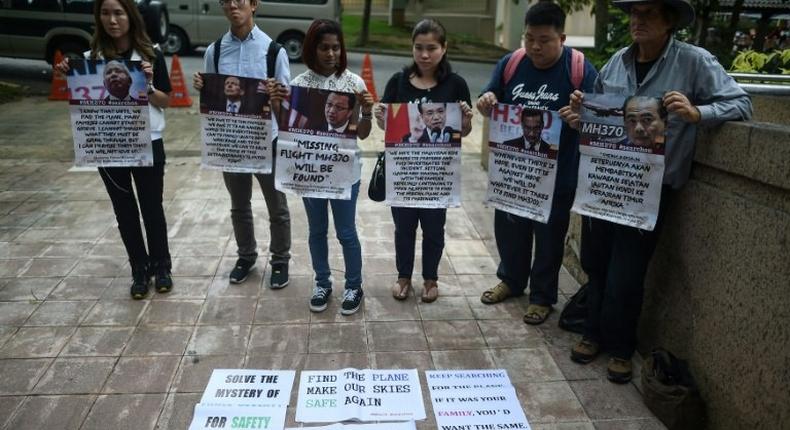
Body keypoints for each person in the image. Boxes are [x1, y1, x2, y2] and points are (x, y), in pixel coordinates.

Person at [559, 0, 752, 383]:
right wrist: (581, 115)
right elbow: (602, 120)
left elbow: (741, 103)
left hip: (650, 191)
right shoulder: (616, 62)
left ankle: (620, 347)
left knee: (627, 275)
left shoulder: (694, 61)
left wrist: (698, 113)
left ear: (669, 21)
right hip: (605, 184)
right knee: (595, 264)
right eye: (633, 13)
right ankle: (591, 333)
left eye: (647, 14)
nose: (637, 21)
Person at [476, 2, 597, 324]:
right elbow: (488, 101)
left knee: (549, 239)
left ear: (563, 38)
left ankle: (543, 297)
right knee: (510, 231)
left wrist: (581, 118)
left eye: (544, 40)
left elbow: (600, 121)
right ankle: (512, 281)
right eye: (529, 38)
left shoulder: (580, 70)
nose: (535, 47)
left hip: (558, 175)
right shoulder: (511, 63)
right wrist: (486, 103)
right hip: (514, 171)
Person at [55, 0, 173, 299]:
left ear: (131, 17)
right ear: (98, 18)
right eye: (105, 13)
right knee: (124, 210)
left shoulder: (150, 55)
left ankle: (162, 267)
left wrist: (146, 84)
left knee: (152, 208)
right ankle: (139, 269)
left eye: (119, 12)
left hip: (147, 141)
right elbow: (78, 95)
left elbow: (166, 100)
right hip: (108, 146)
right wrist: (67, 72)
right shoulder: (88, 60)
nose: (112, 20)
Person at [270, 19, 373, 315]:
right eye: (324, 47)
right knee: (317, 231)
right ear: (312, 48)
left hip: (345, 173)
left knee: (346, 232)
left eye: (336, 47)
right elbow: (288, 129)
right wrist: (277, 103)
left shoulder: (354, 83)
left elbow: (363, 133)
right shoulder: (300, 85)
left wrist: (365, 110)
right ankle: (322, 282)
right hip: (310, 172)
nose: (330, 53)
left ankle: (354, 285)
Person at [193, 0, 292, 287]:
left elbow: (283, 109)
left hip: (266, 139)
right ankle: (246, 256)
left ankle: (280, 260)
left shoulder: (274, 51)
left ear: (254, 4)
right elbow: (213, 100)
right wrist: (203, 88)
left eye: (240, 0)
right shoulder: (215, 50)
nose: (233, 5)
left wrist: (277, 95)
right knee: (239, 205)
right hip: (232, 141)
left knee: (277, 207)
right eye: (226, 0)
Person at [374, 18, 473, 303]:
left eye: (432, 48)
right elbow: (387, 129)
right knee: (403, 228)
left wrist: (466, 120)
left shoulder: (456, 85)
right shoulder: (398, 82)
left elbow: (463, 132)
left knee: (433, 229)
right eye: (419, 48)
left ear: (444, 48)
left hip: (437, 176)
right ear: (412, 48)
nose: (425, 55)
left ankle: (431, 279)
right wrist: (382, 118)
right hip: (404, 173)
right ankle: (403, 277)